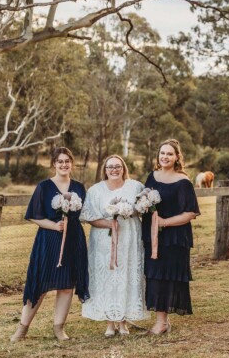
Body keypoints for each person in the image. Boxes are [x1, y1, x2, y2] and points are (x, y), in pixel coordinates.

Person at [10, 147, 89, 342]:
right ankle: (22, 329)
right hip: (48, 240)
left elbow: (85, 213)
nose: (64, 164)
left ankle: (59, 328)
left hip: (72, 240)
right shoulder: (44, 187)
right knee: (40, 283)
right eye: (60, 161)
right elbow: (33, 216)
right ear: (54, 164)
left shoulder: (79, 187)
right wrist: (54, 225)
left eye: (67, 161)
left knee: (67, 285)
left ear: (72, 163)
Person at [80, 155, 149, 337]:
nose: (114, 170)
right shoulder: (96, 190)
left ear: (123, 168)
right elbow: (89, 216)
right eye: (110, 167)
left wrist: (129, 211)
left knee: (126, 276)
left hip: (130, 238)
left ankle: (123, 321)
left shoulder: (135, 186)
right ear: (105, 169)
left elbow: (143, 208)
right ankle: (110, 323)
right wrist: (110, 224)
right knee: (108, 279)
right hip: (104, 241)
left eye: (118, 166)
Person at [142, 139, 200, 335]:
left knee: (166, 277)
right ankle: (161, 320)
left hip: (174, 237)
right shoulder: (152, 176)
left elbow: (190, 213)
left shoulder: (183, 182)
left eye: (169, 154)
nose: (164, 157)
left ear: (177, 157)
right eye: (162, 153)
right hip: (152, 236)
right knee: (154, 275)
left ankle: (162, 323)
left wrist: (164, 223)